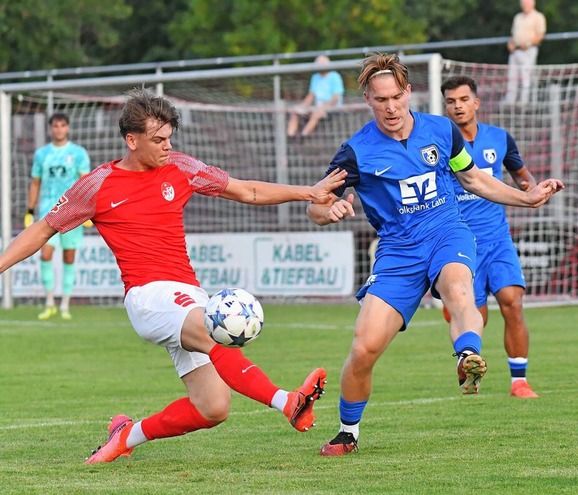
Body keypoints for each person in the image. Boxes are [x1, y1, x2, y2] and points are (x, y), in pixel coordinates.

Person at [0, 88, 348, 464]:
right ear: (131, 140)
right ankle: (288, 402)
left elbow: (246, 190)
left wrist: (308, 192)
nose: (167, 146)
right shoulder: (98, 184)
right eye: (157, 139)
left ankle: (125, 436)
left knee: (213, 406)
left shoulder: (180, 167)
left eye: (169, 138)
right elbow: (43, 229)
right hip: (147, 296)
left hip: (186, 293)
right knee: (210, 328)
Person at [307, 53, 563, 456]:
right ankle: (347, 432)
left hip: (448, 231)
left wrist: (526, 198)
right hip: (398, 251)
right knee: (364, 348)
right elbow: (315, 203)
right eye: (381, 100)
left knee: (460, 290)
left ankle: (468, 354)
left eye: (396, 97)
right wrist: (329, 211)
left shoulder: (443, 131)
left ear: (408, 92)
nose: (390, 107)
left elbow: (472, 177)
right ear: (367, 100)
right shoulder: (356, 152)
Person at [441, 75, 539, 399]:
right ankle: (469, 364)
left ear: (476, 102)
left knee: (512, 300)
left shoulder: (500, 138)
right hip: (462, 245)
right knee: (475, 318)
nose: (458, 106)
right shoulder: (439, 143)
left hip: (498, 239)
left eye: (463, 99)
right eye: (451, 101)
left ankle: (519, 382)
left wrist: (532, 188)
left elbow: (522, 176)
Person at [24, 113, 91, 320]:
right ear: (50, 128)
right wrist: (29, 210)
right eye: (55, 125)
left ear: (68, 128)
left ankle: (65, 305)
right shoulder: (42, 154)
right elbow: (36, 182)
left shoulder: (78, 153)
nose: (58, 129)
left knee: (69, 257)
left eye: (62, 125)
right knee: (45, 254)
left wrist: (88, 209)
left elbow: (85, 182)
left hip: (72, 212)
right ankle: (49, 301)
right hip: (48, 212)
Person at [287, 55, 345, 137]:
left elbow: (336, 97)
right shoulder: (315, 77)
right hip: (318, 106)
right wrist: (302, 107)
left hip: (332, 107)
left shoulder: (335, 76)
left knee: (317, 113)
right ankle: (291, 136)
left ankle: (303, 136)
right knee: (296, 111)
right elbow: (311, 96)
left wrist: (324, 107)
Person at [503, 0, 546, 104]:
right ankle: (510, 101)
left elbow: (540, 35)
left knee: (526, 77)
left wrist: (527, 43)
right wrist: (510, 44)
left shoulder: (538, 17)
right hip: (515, 52)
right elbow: (513, 35)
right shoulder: (518, 17)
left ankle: (524, 101)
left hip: (528, 51)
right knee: (512, 76)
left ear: (533, 3)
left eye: (527, 3)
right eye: (523, 3)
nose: (525, 5)